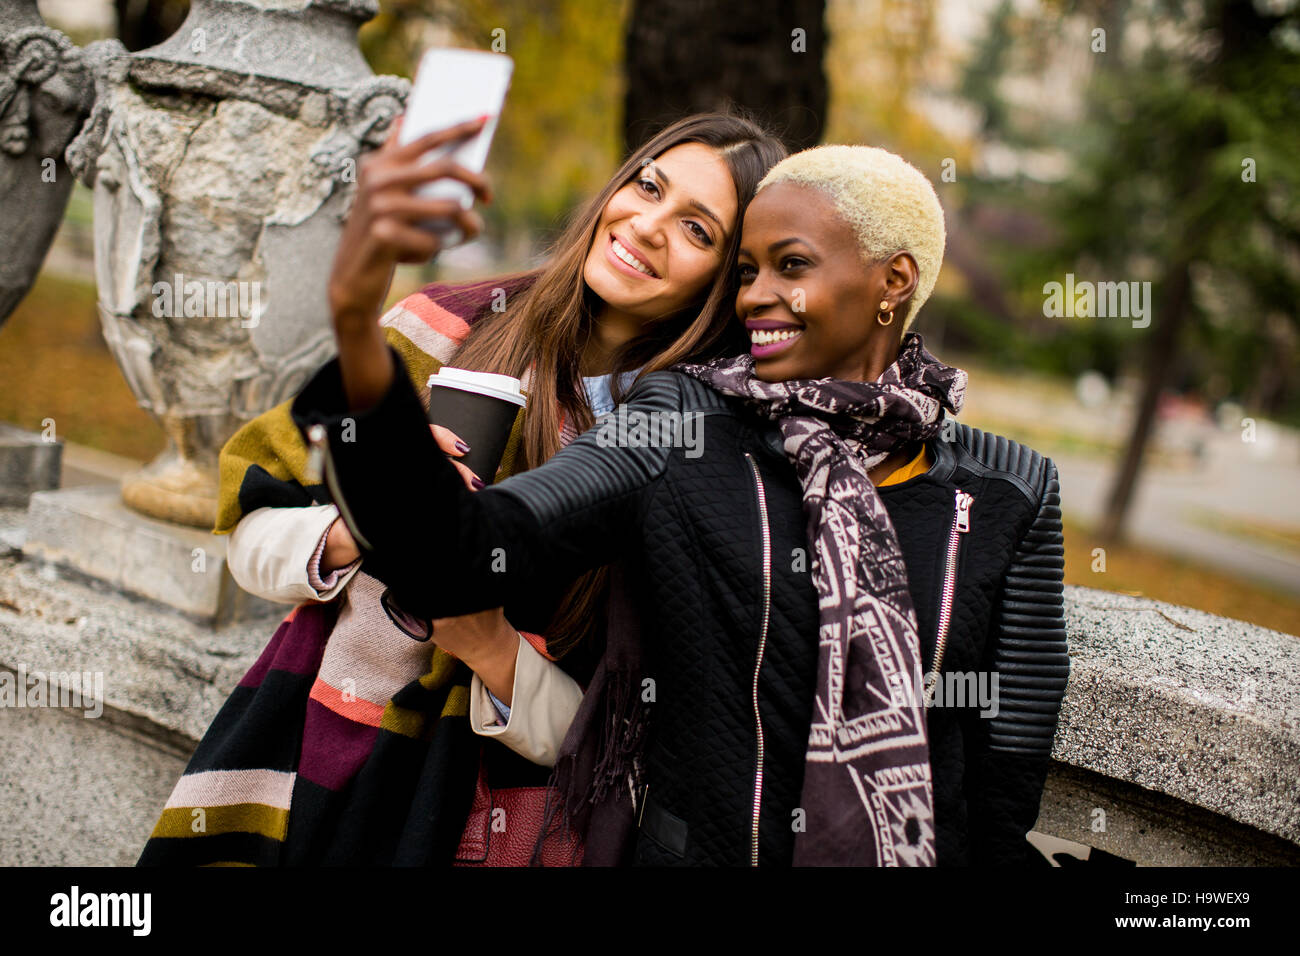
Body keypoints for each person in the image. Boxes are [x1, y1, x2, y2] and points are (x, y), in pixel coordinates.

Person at [287, 143, 1071, 867]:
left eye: (789, 265)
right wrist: (358, 328)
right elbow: (465, 553)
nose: (757, 297)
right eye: (746, 271)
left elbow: (1005, 778)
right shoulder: (687, 420)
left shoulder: (1012, 490)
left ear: (893, 282)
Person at [138, 112, 786, 866]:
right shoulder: (444, 327)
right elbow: (252, 538)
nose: (645, 226)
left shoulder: (685, 447)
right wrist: (363, 522)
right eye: (647, 186)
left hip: (499, 819)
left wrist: (493, 651)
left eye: (697, 229)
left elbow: (627, 739)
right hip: (312, 751)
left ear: (728, 276)